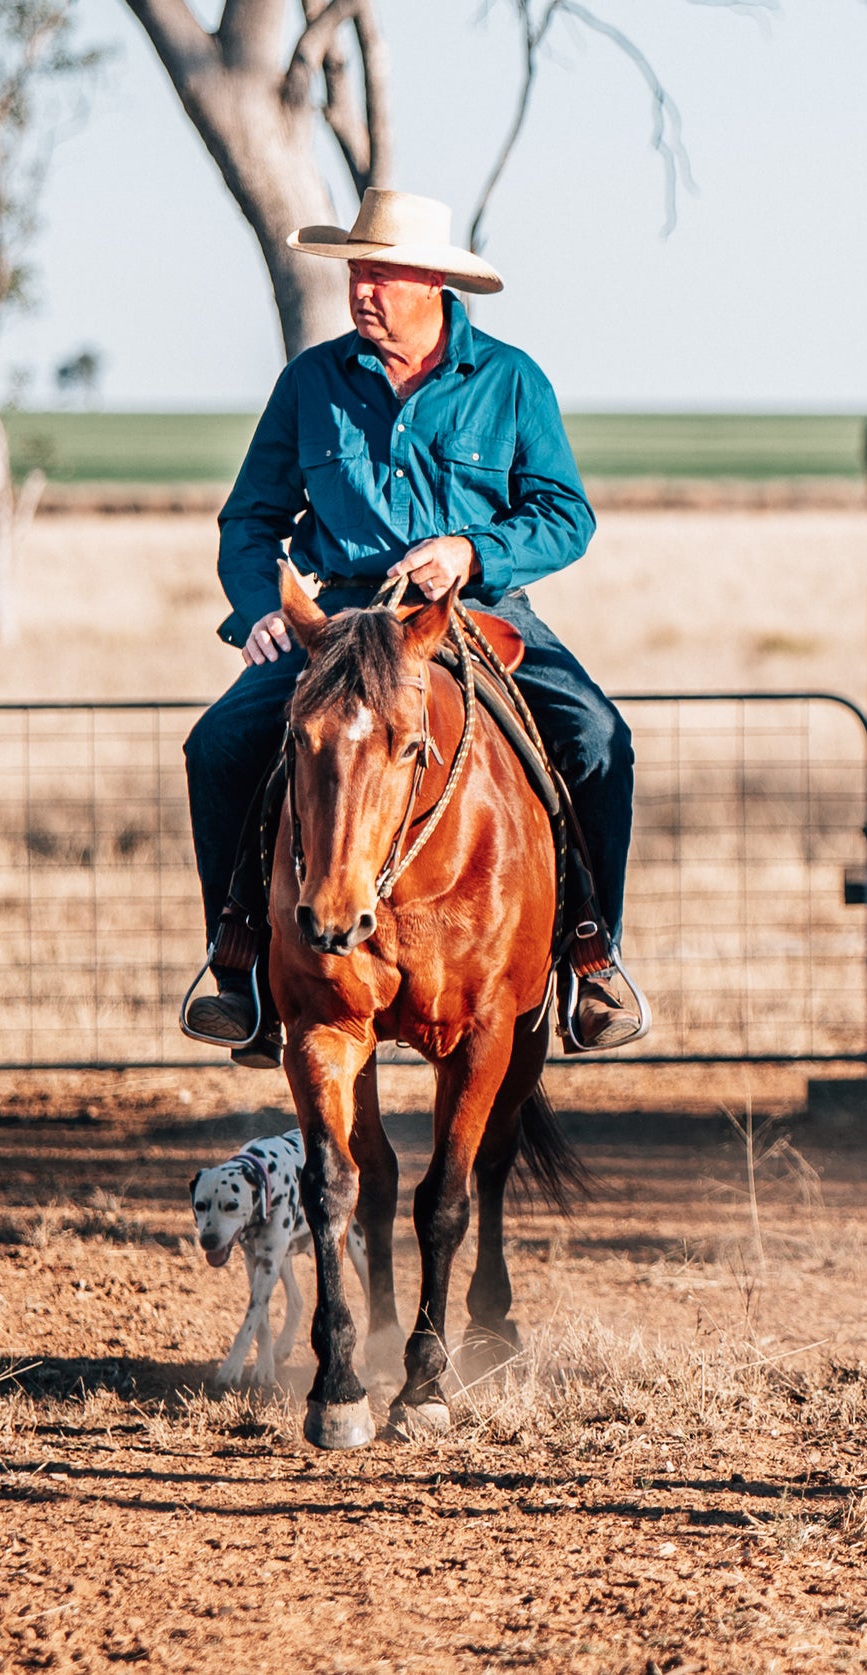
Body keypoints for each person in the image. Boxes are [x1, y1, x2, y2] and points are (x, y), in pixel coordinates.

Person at [178, 187, 648, 1062]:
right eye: (356, 270)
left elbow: (565, 514)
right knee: (217, 745)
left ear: (432, 281)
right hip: (342, 622)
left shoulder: (510, 380)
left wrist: (470, 551)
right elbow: (248, 521)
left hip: (473, 612)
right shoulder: (309, 383)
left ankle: (592, 955)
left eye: (381, 272)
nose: (362, 289)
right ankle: (238, 959)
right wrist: (257, 614)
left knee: (595, 735)